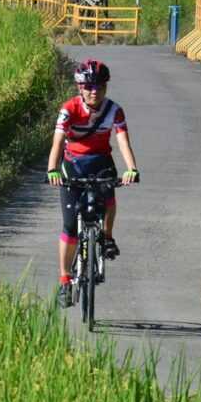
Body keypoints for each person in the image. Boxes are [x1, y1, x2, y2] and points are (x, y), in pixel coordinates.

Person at [47, 58, 140, 309]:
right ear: (79, 88)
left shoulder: (114, 110)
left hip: (101, 162)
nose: (94, 91)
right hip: (72, 165)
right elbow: (57, 142)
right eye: (88, 86)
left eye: (99, 86)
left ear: (106, 87)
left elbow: (122, 141)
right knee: (70, 227)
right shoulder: (68, 109)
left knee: (109, 197)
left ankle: (107, 237)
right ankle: (65, 280)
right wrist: (52, 170)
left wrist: (131, 168)